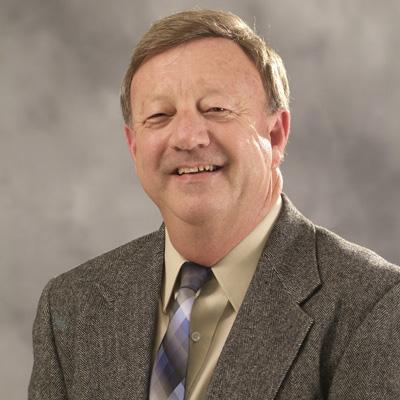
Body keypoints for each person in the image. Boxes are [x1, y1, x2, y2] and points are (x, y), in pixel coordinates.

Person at [29, 9, 400, 400]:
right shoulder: (72, 305)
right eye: (160, 115)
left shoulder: (375, 306)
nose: (188, 138)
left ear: (275, 135)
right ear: (134, 146)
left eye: (217, 109)